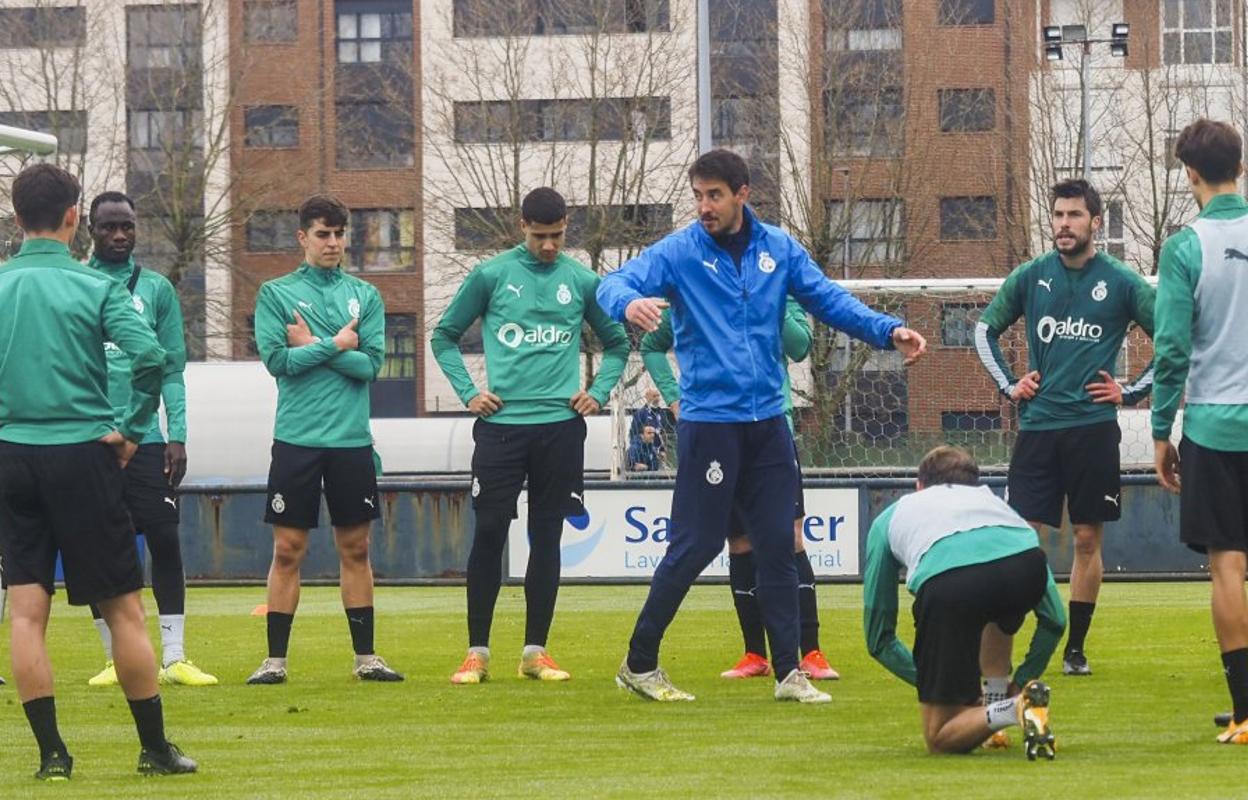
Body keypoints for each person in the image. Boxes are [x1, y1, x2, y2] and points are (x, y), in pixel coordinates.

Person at [598, 148, 926, 703]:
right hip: (710, 425)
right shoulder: (678, 252)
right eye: (698, 196)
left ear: (742, 193)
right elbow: (611, 284)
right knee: (695, 544)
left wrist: (886, 330)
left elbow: (828, 299)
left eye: (715, 195)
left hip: (769, 423)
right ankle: (639, 662)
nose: (704, 206)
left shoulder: (779, 248)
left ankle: (788, 673)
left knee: (778, 544)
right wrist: (628, 304)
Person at [0, 163, 197, 779]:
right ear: (73, 219)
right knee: (123, 611)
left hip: (12, 455)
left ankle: (53, 756)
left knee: (26, 612)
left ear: (15, 217)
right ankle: (156, 749)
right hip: (84, 452)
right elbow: (151, 358)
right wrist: (134, 428)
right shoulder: (96, 287)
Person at [432, 187, 629, 684]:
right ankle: (476, 653)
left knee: (547, 536)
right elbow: (443, 335)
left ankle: (535, 653)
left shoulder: (582, 281)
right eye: (540, 236)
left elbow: (619, 342)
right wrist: (468, 393)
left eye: (557, 236)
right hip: (500, 429)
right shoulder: (492, 276)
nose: (548, 246)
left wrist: (598, 390)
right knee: (491, 532)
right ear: (522, 226)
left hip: (560, 430)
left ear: (567, 227)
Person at [975, 178, 1156, 677]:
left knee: (1085, 539)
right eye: (1057, 215)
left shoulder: (1121, 281)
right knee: (1021, 539)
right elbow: (982, 329)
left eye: (1074, 215)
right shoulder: (1032, 276)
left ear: (1095, 222)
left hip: (1094, 428)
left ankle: (1075, 649)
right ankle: (1019, 633)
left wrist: (1132, 390)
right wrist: (1011, 386)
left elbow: (1174, 338)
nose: (1064, 224)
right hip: (1038, 429)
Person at [641, 297, 839, 681]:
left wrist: (768, 295)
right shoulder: (702, 287)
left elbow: (799, 347)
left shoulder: (781, 286)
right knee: (739, 542)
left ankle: (811, 652)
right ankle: (754, 654)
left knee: (790, 537)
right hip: (717, 430)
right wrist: (673, 397)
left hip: (771, 429)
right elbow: (650, 345)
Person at [247, 194, 402, 685]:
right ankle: (274, 662)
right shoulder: (276, 294)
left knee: (355, 548)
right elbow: (278, 363)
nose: (333, 242)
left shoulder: (366, 296)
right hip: (296, 438)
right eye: (323, 234)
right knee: (288, 548)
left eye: (339, 234)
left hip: (351, 441)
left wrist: (314, 344)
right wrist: (338, 344)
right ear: (302, 238)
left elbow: (370, 367)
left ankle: (366, 659)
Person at [82, 191, 216, 689]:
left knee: (163, 537)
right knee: (98, 544)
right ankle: (115, 659)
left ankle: (175, 656)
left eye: (128, 226)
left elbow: (173, 368)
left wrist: (176, 433)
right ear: (89, 231)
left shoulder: (157, 289)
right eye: (108, 227)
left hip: (146, 440)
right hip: (90, 438)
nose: (119, 235)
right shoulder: (78, 285)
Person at [863, 446, 1064, 757]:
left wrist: (941, 685)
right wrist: (1023, 678)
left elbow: (879, 638)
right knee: (997, 609)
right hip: (1025, 568)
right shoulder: (999, 507)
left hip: (951, 584)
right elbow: (1055, 619)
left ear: (919, 486)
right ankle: (998, 705)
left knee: (940, 738)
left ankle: (1012, 708)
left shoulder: (893, 515)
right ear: (976, 486)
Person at [1152, 118, 1248, 745]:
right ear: (1239, 165)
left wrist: (1161, 430)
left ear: (1190, 174)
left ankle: (1245, 711)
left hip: (1215, 426)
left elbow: (1171, 349)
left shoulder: (1186, 247)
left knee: (1228, 568)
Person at [630, 387, 668, 459]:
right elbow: (634, 433)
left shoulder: (662, 413)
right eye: (654, 396)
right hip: (645, 453)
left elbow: (662, 433)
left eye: (658, 396)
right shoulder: (640, 413)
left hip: (659, 453)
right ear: (647, 397)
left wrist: (662, 450)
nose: (657, 399)